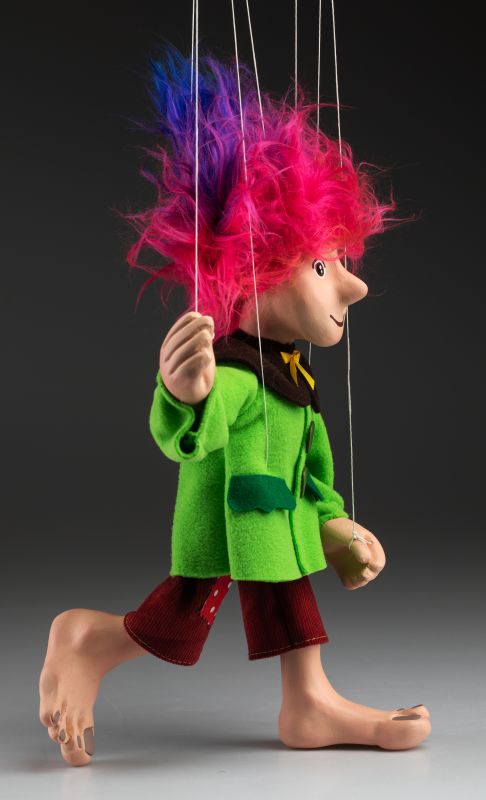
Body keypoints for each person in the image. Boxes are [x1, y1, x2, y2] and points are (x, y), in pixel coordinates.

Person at [38, 49, 431, 766]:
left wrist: (334, 523)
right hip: (234, 523)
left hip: (270, 529)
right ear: (257, 265)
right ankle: (88, 638)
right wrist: (183, 394)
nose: (353, 287)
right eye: (323, 265)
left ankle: (306, 703)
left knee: (275, 598)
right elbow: (201, 421)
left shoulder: (291, 378)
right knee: (184, 615)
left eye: (343, 262)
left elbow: (309, 472)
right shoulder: (243, 375)